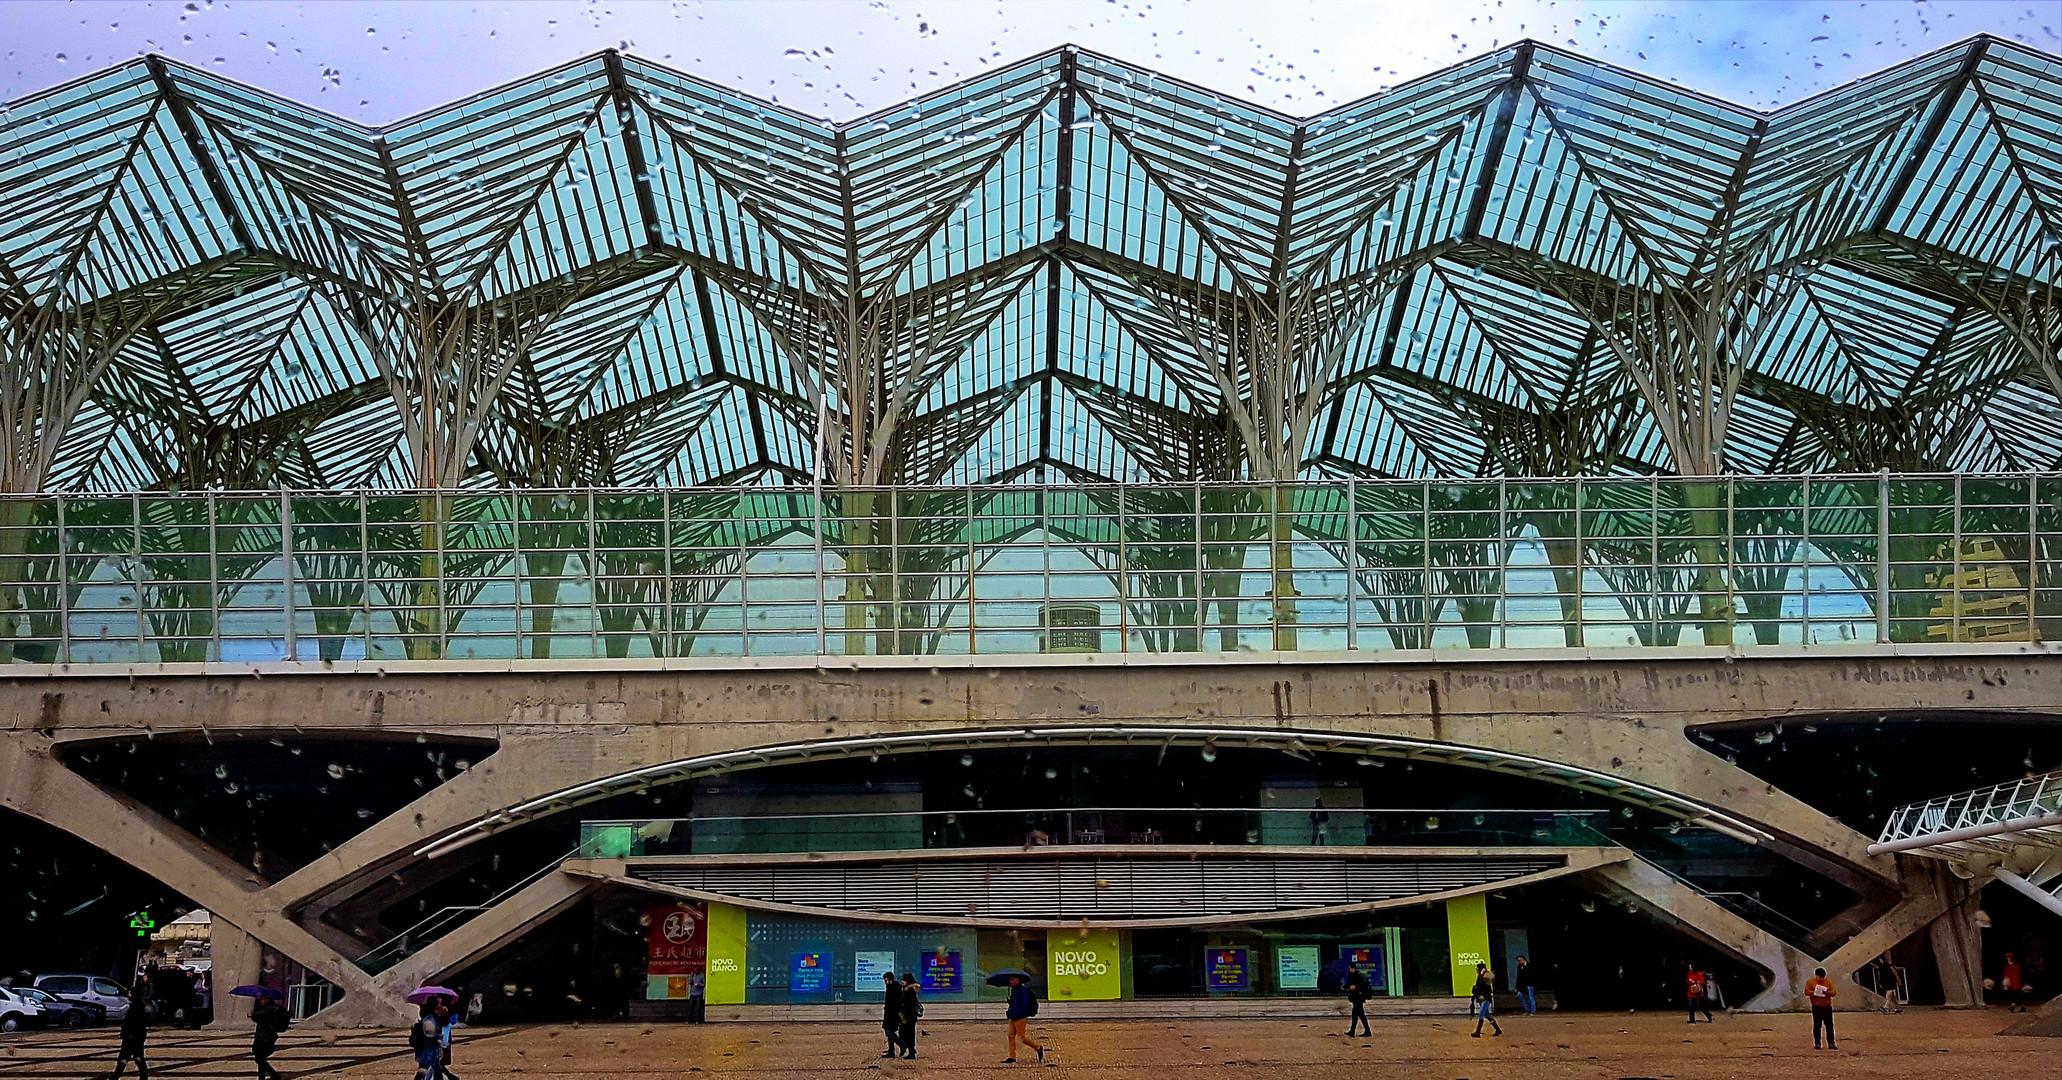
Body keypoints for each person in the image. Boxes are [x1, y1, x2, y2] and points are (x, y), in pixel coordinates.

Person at [108, 986, 152, 1080]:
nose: (128, 995)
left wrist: (127, 1033)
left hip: (132, 1037)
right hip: (134, 1037)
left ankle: (116, 1077)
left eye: (130, 993)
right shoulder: (136, 1006)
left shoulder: (137, 1007)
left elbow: (134, 1023)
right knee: (135, 1058)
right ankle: (143, 1077)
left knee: (130, 1058)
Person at [1002, 974, 1044, 1064]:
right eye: (1011, 980)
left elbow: (1025, 1004)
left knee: (1022, 1037)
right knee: (1010, 1035)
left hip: (1020, 1017)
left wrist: (1017, 1012)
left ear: (1017, 980)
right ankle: (1012, 1057)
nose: (1011, 981)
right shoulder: (1014, 991)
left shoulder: (1023, 990)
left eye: (1013, 979)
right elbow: (1015, 1003)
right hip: (1013, 1017)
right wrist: (1010, 1002)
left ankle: (1038, 1047)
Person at [250, 995, 291, 1080]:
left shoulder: (270, 1009)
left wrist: (253, 1014)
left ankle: (274, 1075)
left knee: (259, 1059)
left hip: (265, 1037)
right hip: (264, 1036)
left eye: (264, 998)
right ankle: (263, 1077)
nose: (261, 1000)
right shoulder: (269, 1008)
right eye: (260, 998)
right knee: (261, 1058)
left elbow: (257, 1016)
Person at [1803, 966, 1837, 1049]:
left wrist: (1827, 992)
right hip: (1816, 1006)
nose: (1821, 979)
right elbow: (1806, 991)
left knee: (1829, 1026)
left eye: (1822, 977)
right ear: (1816, 976)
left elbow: (1834, 992)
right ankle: (1817, 1043)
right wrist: (1815, 992)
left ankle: (1831, 1042)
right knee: (1817, 1026)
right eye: (1819, 977)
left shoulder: (1828, 982)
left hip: (1827, 1006)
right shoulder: (1810, 982)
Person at [1471, 963, 1501, 1038]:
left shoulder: (1486, 976)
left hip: (1486, 998)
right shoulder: (1480, 976)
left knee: (1481, 1014)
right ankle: (1497, 1029)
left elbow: (1485, 985)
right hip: (1481, 998)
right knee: (1487, 1015)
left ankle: (1478, 1031)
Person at [897, 973, 922, 1060]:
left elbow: (910, 1004)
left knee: (908, 1034)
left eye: (904, 980)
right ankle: (911, 1050)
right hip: (908, 1016)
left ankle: (911, 1051)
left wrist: (903, 1009)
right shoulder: (906, 990)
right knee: (906, 1034)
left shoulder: (910, 991)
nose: (902, 982)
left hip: (909, 1017)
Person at [1342, 966, 1372, 1037]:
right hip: (1355, 998)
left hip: (1359, 998)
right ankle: (1357, 1031)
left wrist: (1355, 987)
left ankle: (1358, 1031)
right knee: (1358, 1015)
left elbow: (1363, 985)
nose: (1349, 970)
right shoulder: (1351, 976)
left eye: (1350, 968)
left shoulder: (1358, 976)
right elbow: (1347, 985)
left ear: (1353, 969)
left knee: (1358, 1015)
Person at [879, 973, 902, 1058]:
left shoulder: (894, 988)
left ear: (890, 980)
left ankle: (902, 1045)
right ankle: (891, 1050)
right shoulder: (890, 987)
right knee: (888, 1032)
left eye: (886, 980)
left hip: (893, 1015)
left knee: (890, 1032)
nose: (885, 982)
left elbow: (895, 1003)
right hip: (889, 1014)